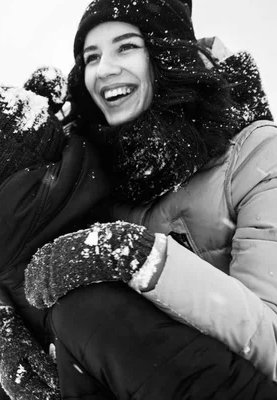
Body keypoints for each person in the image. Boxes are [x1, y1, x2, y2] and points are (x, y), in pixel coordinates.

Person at [0, 66, 277, 399]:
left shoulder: (88, 306)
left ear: (2, 180)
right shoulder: (39, 271)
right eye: (92, 57)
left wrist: (133, 252)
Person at [23, 0, 277, 389]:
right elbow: (16, 232)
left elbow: (272, 343)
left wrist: (139, 255)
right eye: (91, 57)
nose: (104, 69)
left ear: (166, 57)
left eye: (126, 47)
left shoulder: (259, 154)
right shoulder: (99, 155)